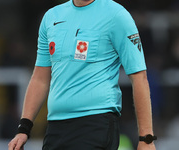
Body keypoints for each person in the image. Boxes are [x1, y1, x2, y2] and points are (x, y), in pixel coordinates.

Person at [8, 0, 157, 150]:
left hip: (96, 124)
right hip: (55, 127)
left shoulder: (116, 15)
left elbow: (139, 77)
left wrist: (146, 139)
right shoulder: (51, 17)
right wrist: (23, 129)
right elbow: (40, 79)